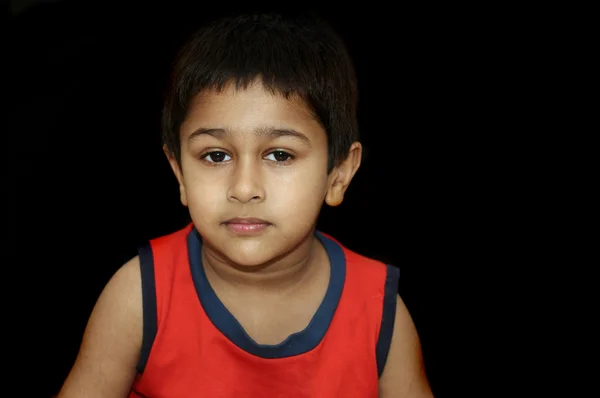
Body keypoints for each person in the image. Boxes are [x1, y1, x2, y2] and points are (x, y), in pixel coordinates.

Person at [57, 11, 433, 398]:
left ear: (337, 174)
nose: (244, 187)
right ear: (180, 173)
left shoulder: (380, 314)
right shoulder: (139, 296)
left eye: (281, 155)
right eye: (216, 156)